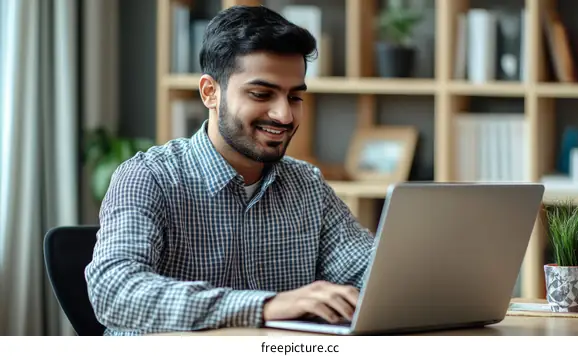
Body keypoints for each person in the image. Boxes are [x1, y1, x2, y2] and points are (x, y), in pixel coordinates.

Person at [84, 5, 375, 336]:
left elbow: (371, 274)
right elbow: (115, 292)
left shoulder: (307, 185)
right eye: (261, 94)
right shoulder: (150, 177)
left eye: (294, 97)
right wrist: (265, 307)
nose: (284, 115)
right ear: (210, 92)